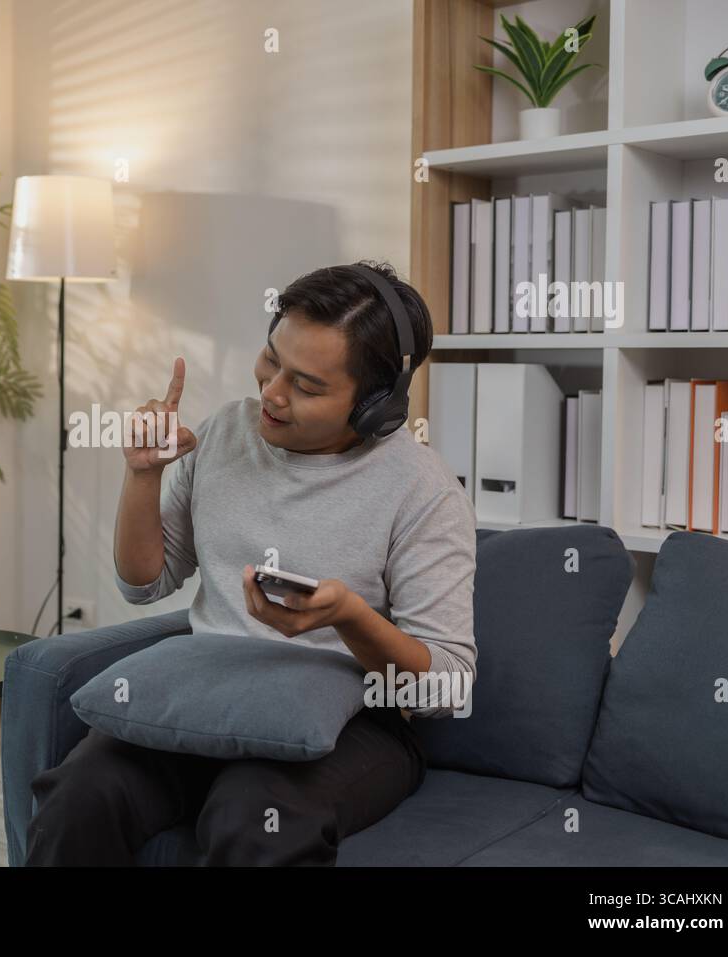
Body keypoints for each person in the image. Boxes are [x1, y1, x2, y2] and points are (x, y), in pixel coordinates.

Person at [25, 261, 477, 866]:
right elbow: (144, 583)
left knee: (252, 818)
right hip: (211, 693)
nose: (272, 392)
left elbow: (446, 684)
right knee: (78, 796)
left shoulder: (423, 490)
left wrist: (346, 617)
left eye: (308, 386)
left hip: (355, 723)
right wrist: (143, 475)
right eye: (271, 360)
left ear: (375, 406)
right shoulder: (225, 434)